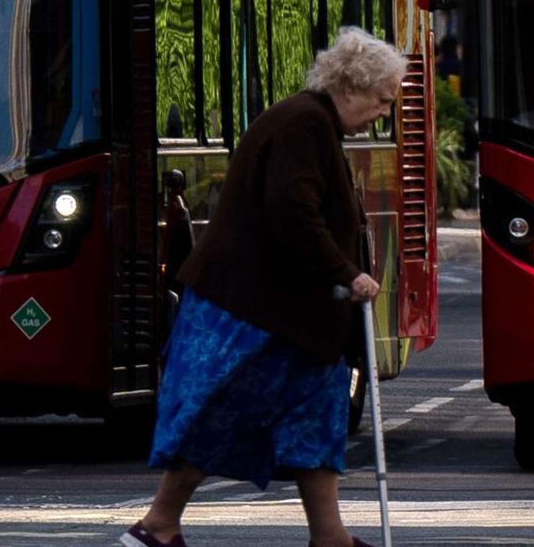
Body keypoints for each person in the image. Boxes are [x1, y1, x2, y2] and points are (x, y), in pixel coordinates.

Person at [124, 27, 408, 547]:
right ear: (350, 87)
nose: (384, 112)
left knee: (316, 418)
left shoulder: (314, 123)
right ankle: (159, 524)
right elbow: (292, 213)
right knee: (223, 410)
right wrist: (347, 273)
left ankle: (330, 537)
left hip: (287, 316)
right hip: (251, 315)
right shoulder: (304, 125)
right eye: (381, 100)